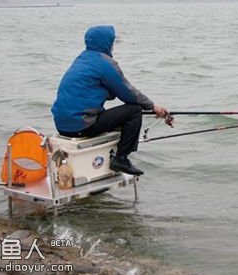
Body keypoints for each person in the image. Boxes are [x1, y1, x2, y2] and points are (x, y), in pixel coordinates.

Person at [51, 25, 168, 176]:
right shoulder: (104, 63)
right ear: (107, 43)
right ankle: (121, 158)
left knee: (119, 115)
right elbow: (128, 93)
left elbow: (100, 91)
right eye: (112, 41)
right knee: (134, 110)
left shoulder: (81, 59)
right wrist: (152, 106)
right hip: (82, 126)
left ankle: (110, 153)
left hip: (62, 125)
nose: (113, 45)